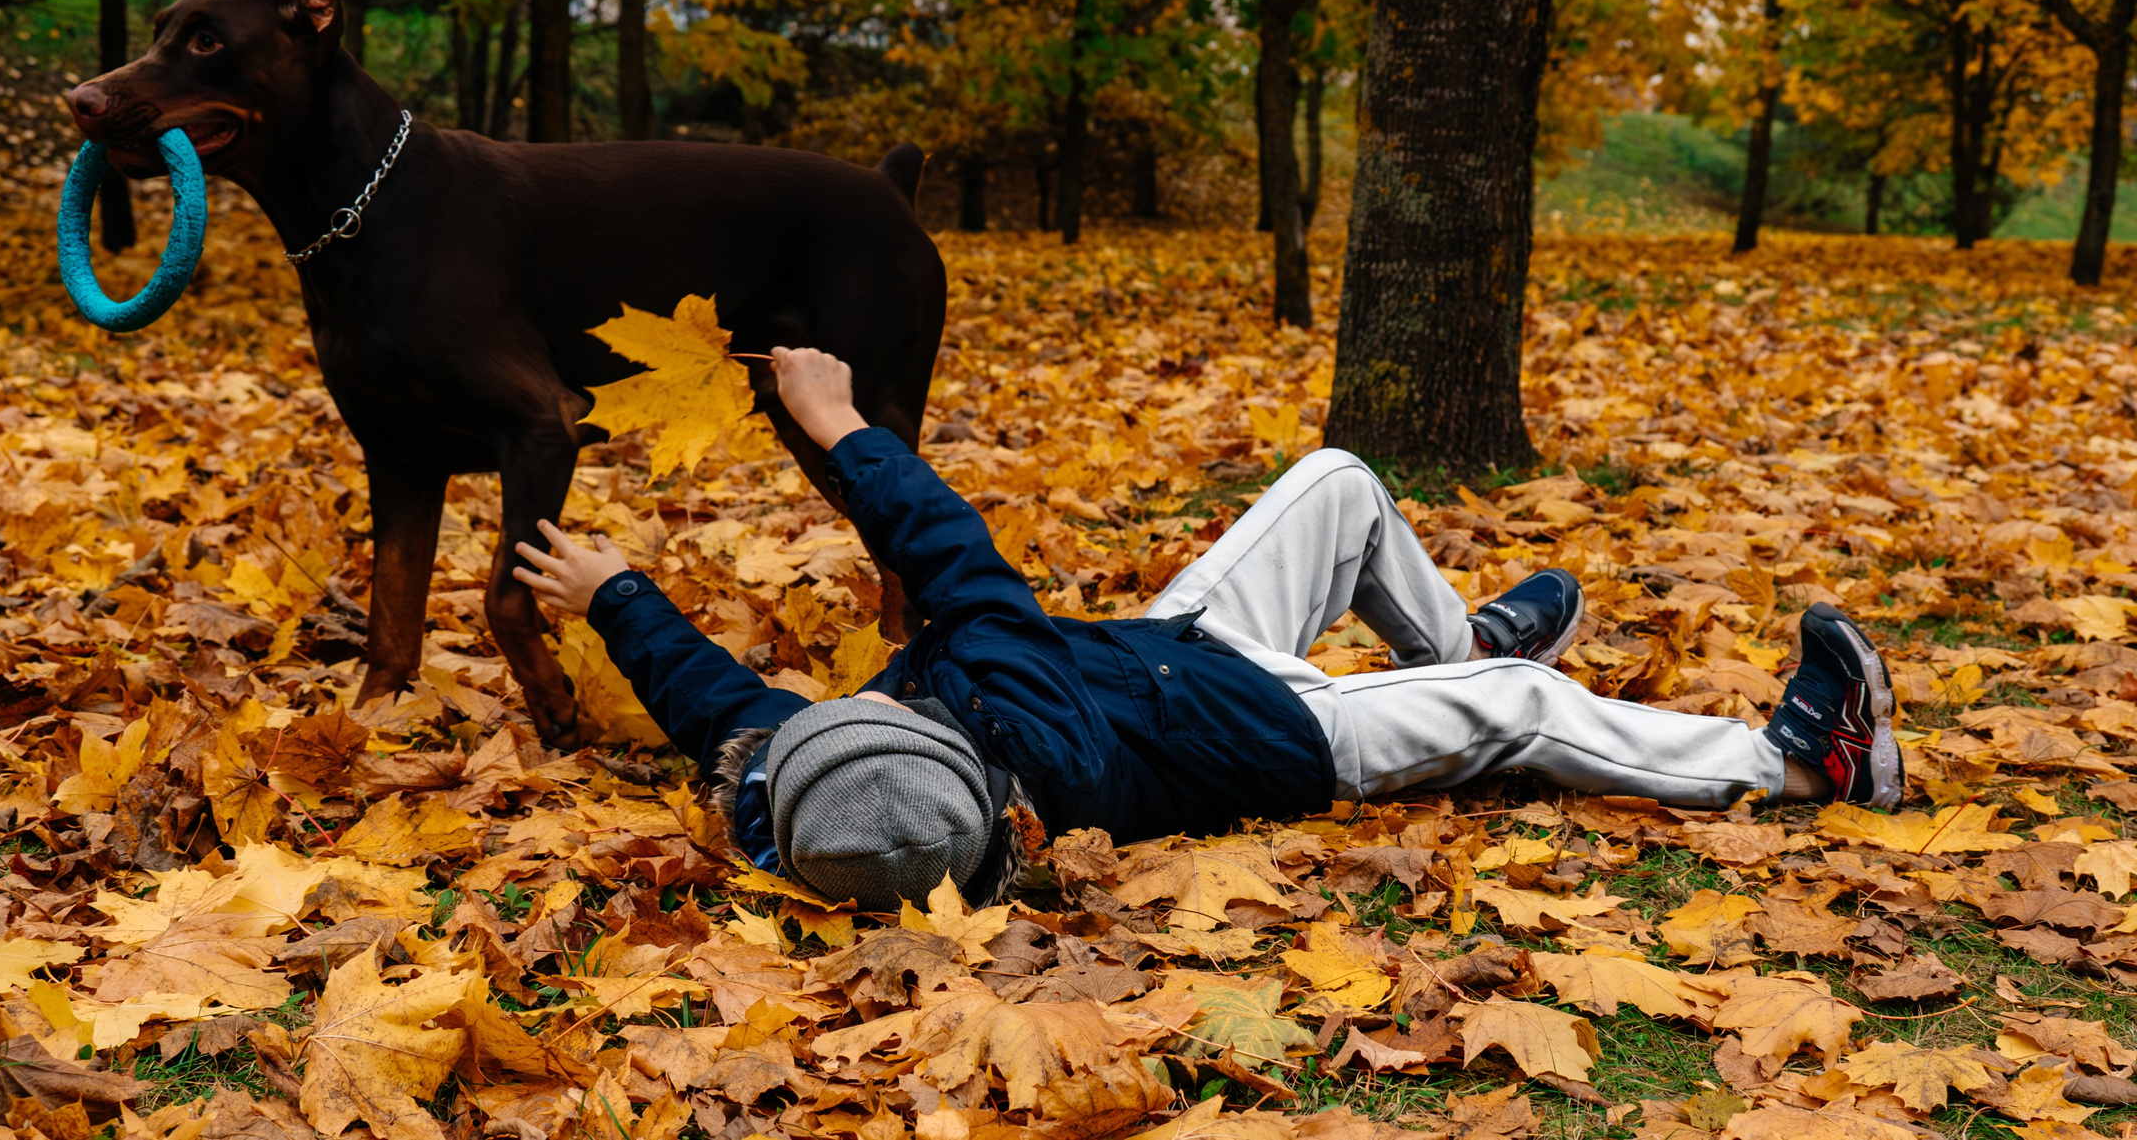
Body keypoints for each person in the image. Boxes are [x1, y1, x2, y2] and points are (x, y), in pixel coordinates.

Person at [510, 348, 1903, 912]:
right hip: (1289, 732)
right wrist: (834, 420)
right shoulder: (996, 693)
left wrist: (615, 592)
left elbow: (716, 706)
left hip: (1181, 641)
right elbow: (945, 547)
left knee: (1339, 486)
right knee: (1518, 723)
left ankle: (1464, 635)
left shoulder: (801, 798)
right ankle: (1804, 765)